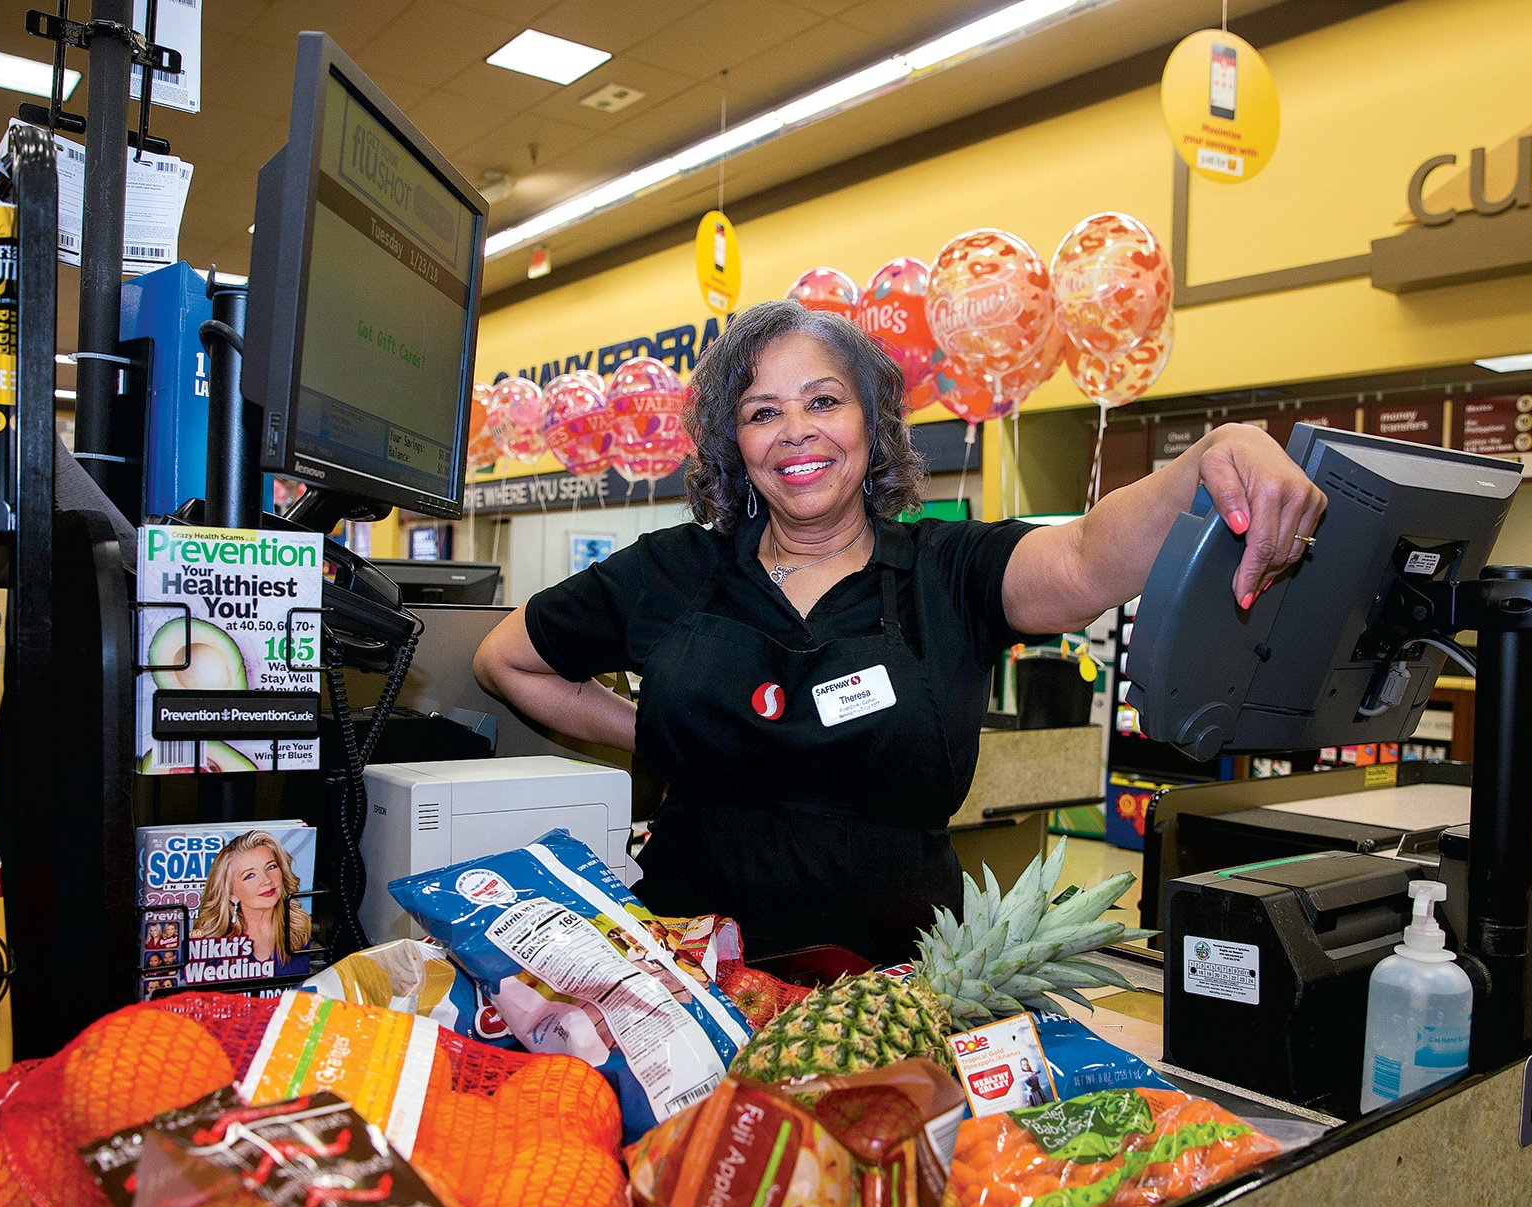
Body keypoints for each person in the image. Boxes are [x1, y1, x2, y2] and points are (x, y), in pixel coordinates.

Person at [476, 299, 1324, 963]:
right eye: (762, 411)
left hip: (901, 987)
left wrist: (1217, 454)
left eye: (824, 400)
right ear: (734, 442)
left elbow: (1085, 557)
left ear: (872, 424)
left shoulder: (948, 571)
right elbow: (506, 659)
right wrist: (653, 734)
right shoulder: (674, 572)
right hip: (694, 981)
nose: (796, 431)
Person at [190, 829, 313, 975]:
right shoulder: (210, 946)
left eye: (271, 867)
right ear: (231, 894)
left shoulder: (301, 931)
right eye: (250, 875)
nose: (266, 880)